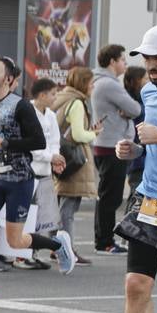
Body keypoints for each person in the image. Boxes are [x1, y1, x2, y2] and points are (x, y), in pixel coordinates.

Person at [0, 58, 76, 308]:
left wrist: (6, 144)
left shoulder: (21, 106)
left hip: (19, 180)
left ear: (9, 79)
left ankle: (57, 244)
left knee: (15, 241)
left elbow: (38, 142)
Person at [105, 24, 157, 313]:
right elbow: (151, 143)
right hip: (153, 199)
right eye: (147, 58)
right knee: (136, 284)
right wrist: (134, 150)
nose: (151, 65)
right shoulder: (147, 91)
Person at [91, 44, 139, 255]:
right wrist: (126, 111)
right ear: (112, 61)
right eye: (123, 60)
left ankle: (103, 240)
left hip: (105, 144)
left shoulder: (98, 81)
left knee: (106, 195)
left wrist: (125, 110)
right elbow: (135, 108)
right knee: (110, 197)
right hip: (112, 146)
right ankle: (105, 242)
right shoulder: (109, 84)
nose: (125, 65)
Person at [13, 78, 65, 270]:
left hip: (44, 172)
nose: (55, 97)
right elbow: (31, 146)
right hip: (29, 171)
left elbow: (55, 141)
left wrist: (56, 159)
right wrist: (51, 157)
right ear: (42, 95)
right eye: (53, 94)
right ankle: (20, 256)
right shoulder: (27, 112)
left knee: (39, 216)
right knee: (25, 215)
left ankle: (30, 253)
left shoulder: (50, 115)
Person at [54, 67, 97, 266]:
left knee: (60, 206)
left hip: (61, 158)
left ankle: (56, 247)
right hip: (74, 160)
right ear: (83, 83)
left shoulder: (61, 98)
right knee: (68, 209)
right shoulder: (77, 102)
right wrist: (94, 134)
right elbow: (79, 135)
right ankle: (67, 250)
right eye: (91, 83)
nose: (93, 87)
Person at [125, 65, 148, 195]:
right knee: (136, 195)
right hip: (137, 157)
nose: (148, 81)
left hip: (143, 157)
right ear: (137, 80)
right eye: (145, 78)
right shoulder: (129, 102)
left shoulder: (142, 98)